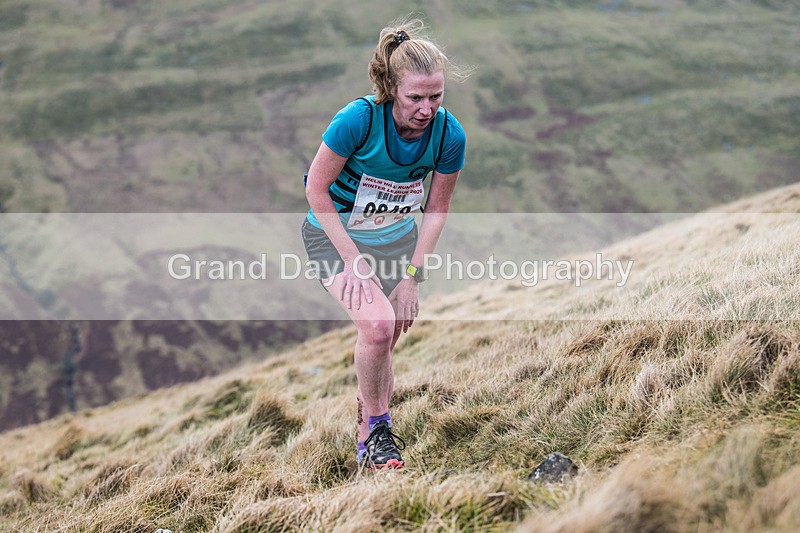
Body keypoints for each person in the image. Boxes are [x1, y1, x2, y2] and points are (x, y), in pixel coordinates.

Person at [302, 18, 467, 469]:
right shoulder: (358, 120)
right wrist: (353, 261)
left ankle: (368, 430)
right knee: (377, 326)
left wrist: (413, 276)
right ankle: (377, 433)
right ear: (391, 88)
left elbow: (437, 210)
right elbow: (316, 188)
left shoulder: (449, 135)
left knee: (385, 339)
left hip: (396, 242)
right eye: (415, 98)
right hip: (335, 237)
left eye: (436, 97)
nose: (427, 109)